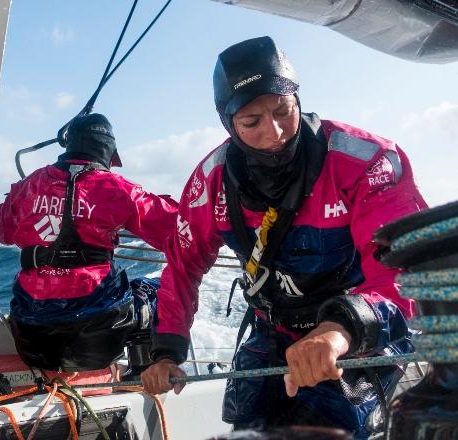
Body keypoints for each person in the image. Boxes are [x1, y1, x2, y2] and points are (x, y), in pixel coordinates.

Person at [140, 36, 427, 439]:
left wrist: (338, 331)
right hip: (271, 330)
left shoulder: (365, 161)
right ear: (228, 124)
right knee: (248, 431)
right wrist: (167, 351)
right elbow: (183, 264)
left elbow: (406, 268)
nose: (273, 132)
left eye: (282, 110)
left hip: (362, 333)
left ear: (298, 99)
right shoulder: (211, 181)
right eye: (251, 122)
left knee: (330, 428)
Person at [0, 113, 178, 372]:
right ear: (108, 150)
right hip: (97, 341)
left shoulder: (29, 185)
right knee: (155, 290)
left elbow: (2, 233)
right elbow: (177, 231)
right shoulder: (118, 189)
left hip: (32, 338)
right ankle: (142, 375)